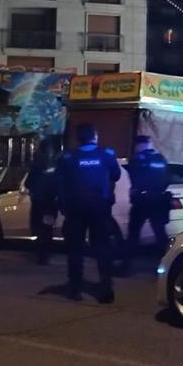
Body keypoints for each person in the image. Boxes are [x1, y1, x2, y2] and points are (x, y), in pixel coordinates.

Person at [56, 124, 121, 303]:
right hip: (100, 209)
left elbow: (60, 182)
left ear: (78, 138)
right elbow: (116, 175)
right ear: (94, 136)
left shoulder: (68, 157)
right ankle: (106, 289)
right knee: (102, 249)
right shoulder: (106, 154)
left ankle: (75, 289)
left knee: (75, 250)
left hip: (75, 209)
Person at [121, 135, 171, 273]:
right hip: (159, 200)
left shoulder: (137, 159)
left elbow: (134, 179)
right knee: (160, 234)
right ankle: (168, 265)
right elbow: (167, 179)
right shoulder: (160, 159)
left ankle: (126, 267)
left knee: (133, 234)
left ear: (138, 145)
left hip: (142, 202)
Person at [27, 135, 63, 265]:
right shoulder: (54, 165)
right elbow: (59, 183)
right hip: (49, 202)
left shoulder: (36, 165)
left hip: (38, 202)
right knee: (47, 228)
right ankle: (45, 254)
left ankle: (42, 254)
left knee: (39, 228)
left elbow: (28, 183)